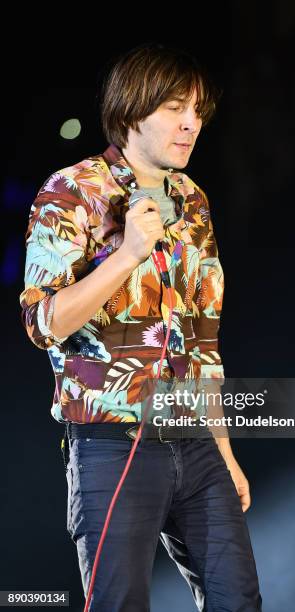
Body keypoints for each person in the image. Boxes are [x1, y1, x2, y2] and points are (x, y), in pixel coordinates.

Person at [19, 42, 262, 611]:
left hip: (195, 442)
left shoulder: (193, 203)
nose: (191, 124)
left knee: (239, 599)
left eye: (198, 111)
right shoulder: (72, 192)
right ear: (131, 111)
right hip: (112, 442)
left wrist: (225, 453)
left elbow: (202, 342)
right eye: (176, 108)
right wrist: (127, 254)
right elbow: (42, 322)